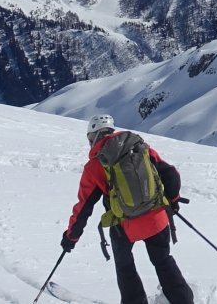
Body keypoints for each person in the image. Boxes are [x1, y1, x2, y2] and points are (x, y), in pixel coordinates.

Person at [60, 113, 195, 304]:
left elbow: (83, 207)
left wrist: (71, 237)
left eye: (90, 139)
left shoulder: (95, 166)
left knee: (125, 267)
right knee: (163, 260)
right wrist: (172, 202)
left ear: (94, 137)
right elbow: (171, 174)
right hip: (157, 217)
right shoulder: (139, 147)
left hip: (125, 226)